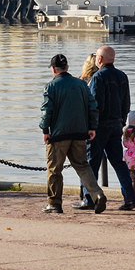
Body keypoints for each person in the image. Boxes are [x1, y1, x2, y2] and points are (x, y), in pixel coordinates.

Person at [39, 53, 106, 215]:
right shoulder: (81, 84)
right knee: (83, 166)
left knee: (54, 169)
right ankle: (97, 195)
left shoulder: (51, 87)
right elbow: (92, 107)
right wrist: (92, 128)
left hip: (58, 135)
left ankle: (54, 204)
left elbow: (47, 111)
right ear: (67, 67)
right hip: (79, 133)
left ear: (53, 69)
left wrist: (45, 130)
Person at [84, 45, 135, 211]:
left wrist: (91, 126)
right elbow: (126, 103)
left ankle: (90, 198)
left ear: (99, 59)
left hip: (99, 126)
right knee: (119, 163)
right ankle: (130, 197)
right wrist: (121, 121)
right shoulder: (122, 76)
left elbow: (94, 105)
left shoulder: (98, 77)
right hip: (115, 125)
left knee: (92, 162)